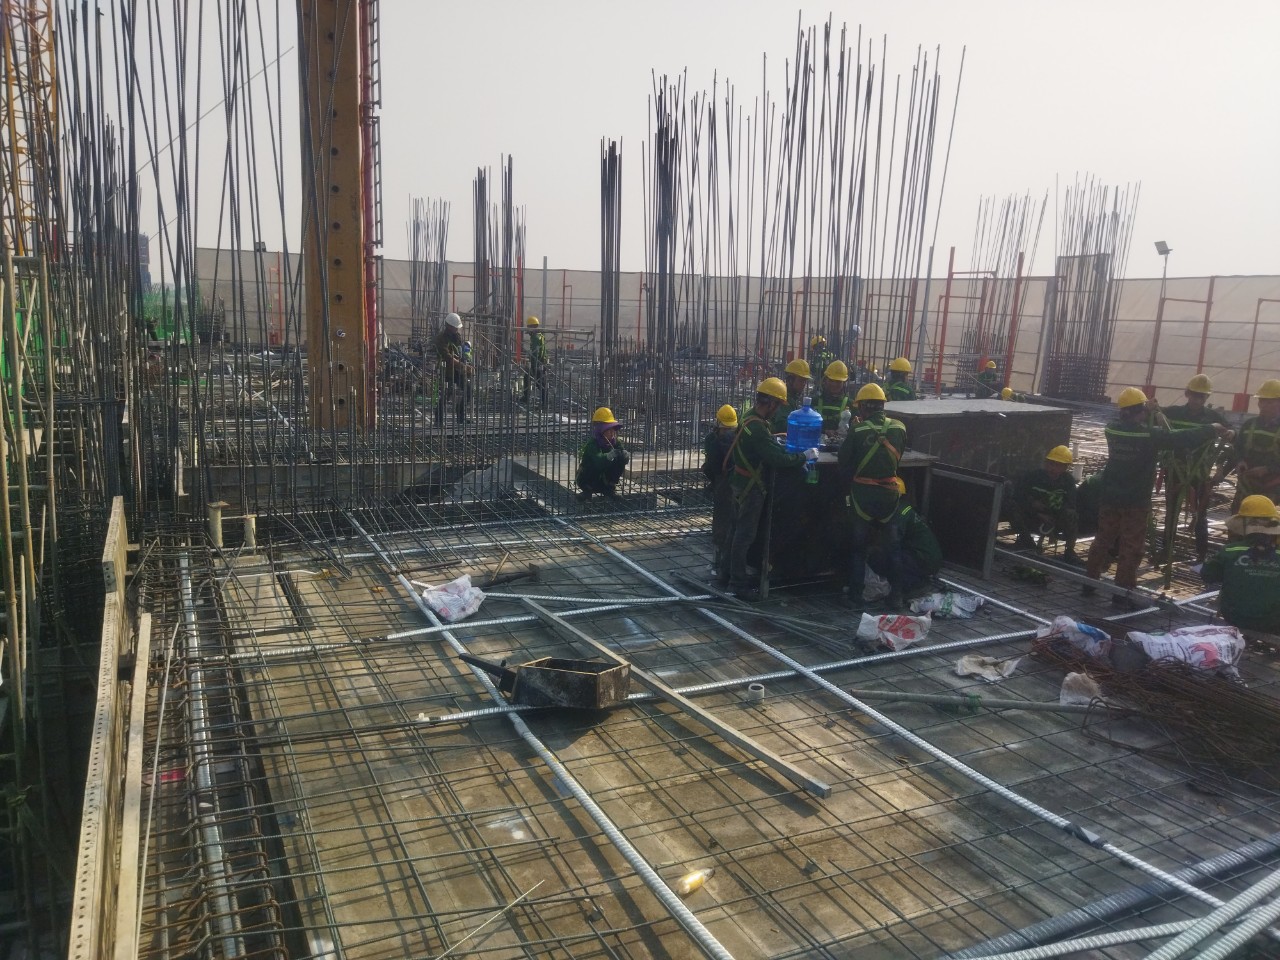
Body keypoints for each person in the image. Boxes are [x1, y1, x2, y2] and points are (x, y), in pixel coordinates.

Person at [1084, 387, 1227, 604]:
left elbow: (1131, 421)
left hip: (1110, 496)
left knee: (1103, 539)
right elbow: (1181, 437)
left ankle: (1089, 582)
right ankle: (1122, 593)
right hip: (1135, 501)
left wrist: (1148, 410)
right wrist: (1211, 429)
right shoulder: (1148, 436)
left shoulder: (1111, 429)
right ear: (1140, 410)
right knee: (1131, 547)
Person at [725, 378, 814, 600]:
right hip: (751, 488)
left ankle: (727, 573)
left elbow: (765, 446)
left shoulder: (748, 417)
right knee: (745, 535)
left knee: (735, 531)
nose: (777, 411)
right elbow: (776, 459)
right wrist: (803, 456)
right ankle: (737, 584)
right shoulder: (757, 428)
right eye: (778, 406)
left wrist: (774, 442)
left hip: (739, 482)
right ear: (772, 403)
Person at [839, 382, 908, 610]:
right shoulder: (899, 428)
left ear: (863, 407)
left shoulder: (858, 430)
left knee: (858, 548)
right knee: (893, 548)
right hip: (890, 496)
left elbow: (843, 461)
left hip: (863, 498)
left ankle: (856, 596)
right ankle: (897, 596)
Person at [1160, 374, 1233, 562]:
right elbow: (1153, 418)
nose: (1197, 400)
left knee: (1200, 514)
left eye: (1201, 396)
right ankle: (1166, 550)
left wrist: (1231, 433)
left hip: (1199, 474)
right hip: (1175, 471)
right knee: (1171, 513)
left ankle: (1201, 554)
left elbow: (1232, 434)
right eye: (1194, 395)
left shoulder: (1213, 417)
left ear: (1206, 397)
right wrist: (1151, 409)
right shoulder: (1173, 413)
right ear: (1187, 394)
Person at [1201, 495, 1280, 638]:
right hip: (1273, 622)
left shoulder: (1229, 551)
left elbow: (1207, 575)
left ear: (1243, 524)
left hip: (1235, 617)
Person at [868, 479, 942, 596]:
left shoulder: (899, 513)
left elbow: (892, 544)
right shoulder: (901, 507)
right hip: (924, 556)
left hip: (924, 558)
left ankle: (916, 585)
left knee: (880, 560)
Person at [1011, 445, 1082, 565]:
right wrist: (1034, 508)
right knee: (1012, 506)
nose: (1053, 468)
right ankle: (1027, 542)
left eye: (1058, 465)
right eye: (1051, 464)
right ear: (1046, 463)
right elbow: (1019, 496)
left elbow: (1070, 504)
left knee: (1071, 514)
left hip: (1054, 520)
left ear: (1065, 467)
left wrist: (1053, 516)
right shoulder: (1034, 476)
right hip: (1032, 516)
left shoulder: (1068, 482)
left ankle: (1069, 551)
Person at [1228, 378, 1280, 512]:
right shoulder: (1249, 425)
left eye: (1269, 402)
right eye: (1262, 401)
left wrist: (1268, 469)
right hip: (1247, 485)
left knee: (1268, 521)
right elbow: (1238, 448)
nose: (1264, 405)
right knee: (1239, 518)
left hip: (1274, 488)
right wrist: (1240, 461)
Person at [702, 404, 739, 582]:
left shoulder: (713, 439)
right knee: (734, 522)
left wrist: (714, 482)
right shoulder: (739, 437)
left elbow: (711, 466)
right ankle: (728, 563)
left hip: (723, 484)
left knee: (722, 523)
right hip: (737, 484)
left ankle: (720, 564)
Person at [576, 407, 629, 501]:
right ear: (600, 430)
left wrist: (625, 455)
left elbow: (621, 452)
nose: (612, 433)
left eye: (613, 429)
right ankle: (587, 491)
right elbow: (598, 461)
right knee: (592, 465)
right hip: (588, 480)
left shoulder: (615, 441)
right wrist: (609, 456)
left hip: (603, 480)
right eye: (609, 430)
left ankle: (609, 487)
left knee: (620, 458)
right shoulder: (593, 444)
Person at [433, 312, 472, 425]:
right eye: (455, 327)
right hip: (446, 370)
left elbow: (460, 351)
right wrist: (462, 365)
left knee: (468, 390)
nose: (457, 329)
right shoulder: (441, 338)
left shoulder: (457, 336)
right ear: (449, 326)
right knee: (447, 394)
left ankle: (460, 415)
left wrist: (465, 362)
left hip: (457, 370)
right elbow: (447, 357)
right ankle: (438, 420)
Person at [769, 358, 812, 432]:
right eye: (801, 380)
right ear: (790, 379)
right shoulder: (783, 398)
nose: (803, 384)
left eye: (805, 381)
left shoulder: (792, 398)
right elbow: (781, 426)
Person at [813, 360, 852, 430]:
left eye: (838, 381)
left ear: (844, 383)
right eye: (831, 380)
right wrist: (824, 431)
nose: (834, 384)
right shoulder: (814, 401)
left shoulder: (850, 404)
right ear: (825, 380)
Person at [522, 315, 548, 408]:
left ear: (532, 327)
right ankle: (526, 397)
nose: (527, 329)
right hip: (539, 362)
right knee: (527, 377)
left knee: (540, 383)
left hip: (538, 363)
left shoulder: (536, 337)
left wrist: (533, 366)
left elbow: (536, 353)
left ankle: (544, 403)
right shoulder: (538, 336)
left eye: (528, 327)